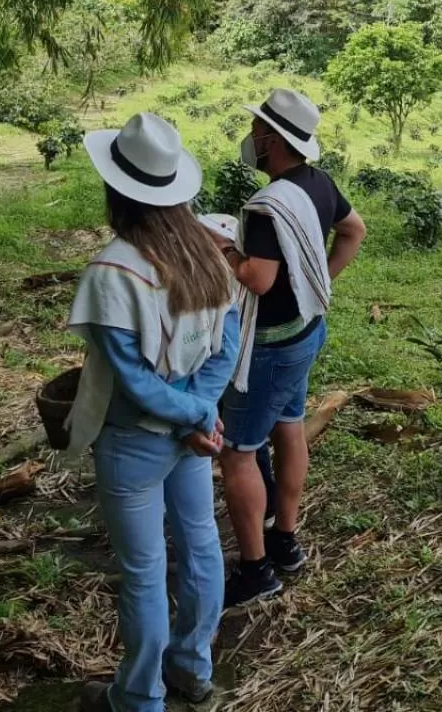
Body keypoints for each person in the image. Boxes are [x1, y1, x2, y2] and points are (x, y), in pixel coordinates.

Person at [68, 112, 240, 712]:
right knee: (200, 545)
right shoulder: (207, 253)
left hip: (134, 441)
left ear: (116, 189)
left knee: (144, 571)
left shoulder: (112, 270)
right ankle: (192, 669)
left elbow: (134, 379)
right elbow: (227, 347)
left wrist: (191, 415)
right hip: (193, 436)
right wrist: (201, 413)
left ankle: (140, 698)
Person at [213, 88, 365, 608]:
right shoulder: (319, 184)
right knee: (289, 426)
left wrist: (225, 248)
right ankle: (285, 540)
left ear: (272, 140)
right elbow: (354, 230)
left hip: (268, 348)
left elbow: (256, 279)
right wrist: (319, 283)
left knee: (238, 454)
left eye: (258, 130)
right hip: (306, 332)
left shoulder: (266, 208)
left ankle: (256, 570)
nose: (252, 137)